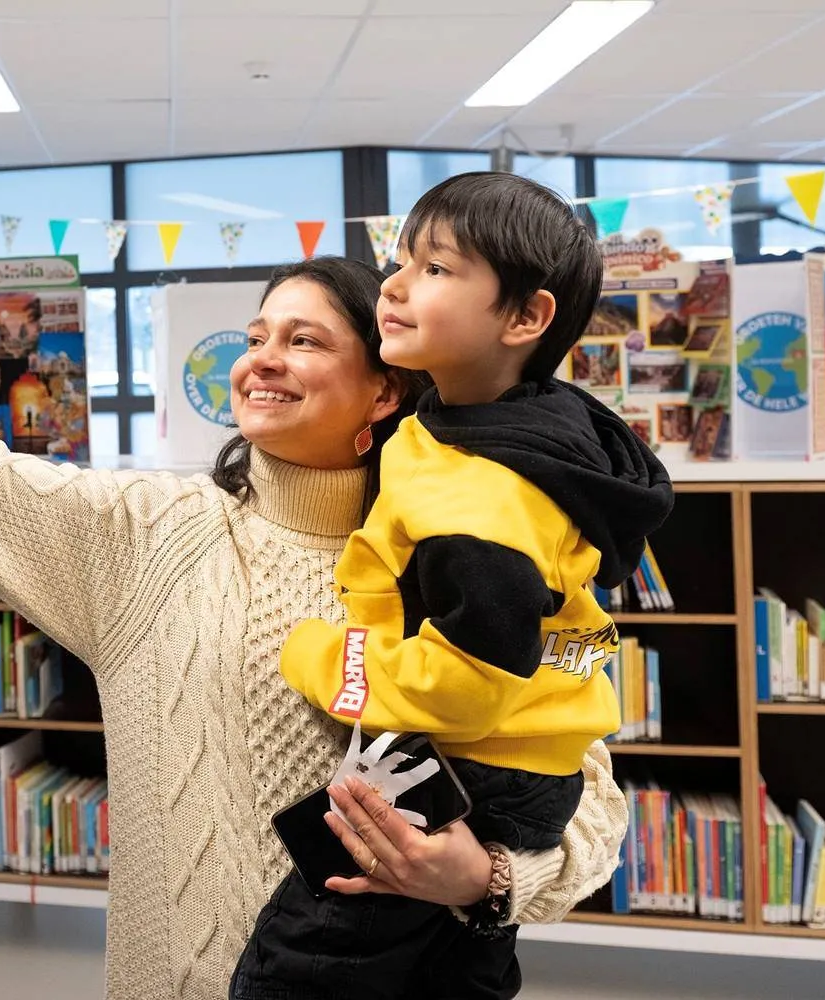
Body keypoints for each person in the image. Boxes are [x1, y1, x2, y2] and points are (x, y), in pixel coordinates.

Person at [0, 166, 628, 1000]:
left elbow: (588, 800)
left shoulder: (476, 546)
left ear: (385, 389)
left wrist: (487, 880)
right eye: (257, 335)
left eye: (305, 339)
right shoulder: (149, 535)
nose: (261, 360)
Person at [235, 173, 673, 998]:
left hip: (470, 764)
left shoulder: (481, 492)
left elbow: (466, 684)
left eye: (434, 269)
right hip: (510, 764)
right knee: (459, 968)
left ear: (524, 317)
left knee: (303, 957)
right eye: (400, 261)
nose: (395, 285)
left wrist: (322, 657)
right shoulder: (499, 431)